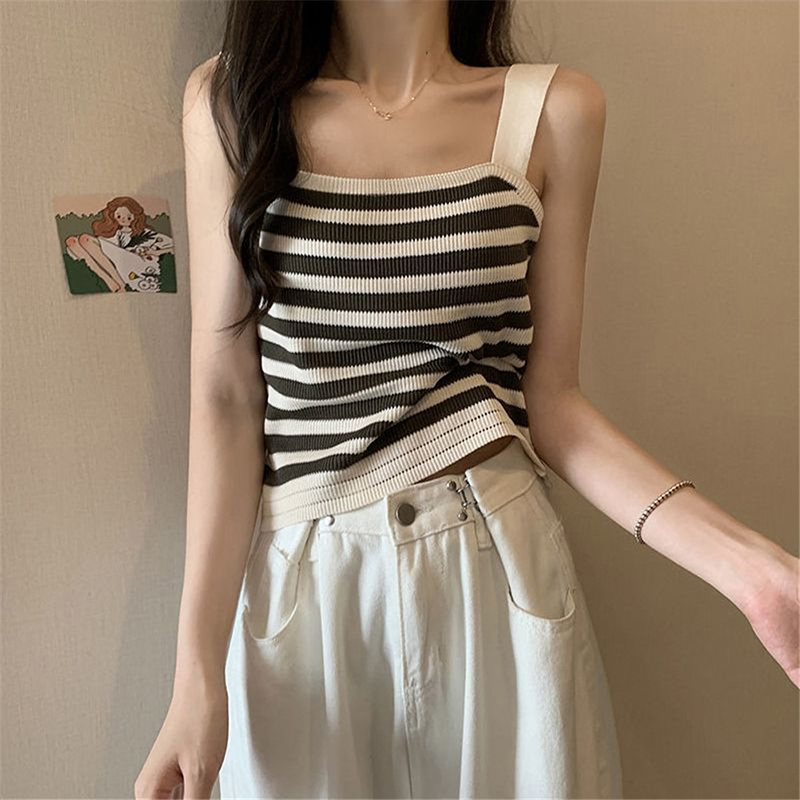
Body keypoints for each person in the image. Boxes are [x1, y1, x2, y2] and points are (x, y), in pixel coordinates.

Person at [136, 1, 799, 798]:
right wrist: (195, 673)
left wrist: (755, 573)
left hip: (496, 569)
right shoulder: (231, 107)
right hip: (309, 591)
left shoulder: (554, 112)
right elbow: (227, 397)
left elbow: (554, 405)